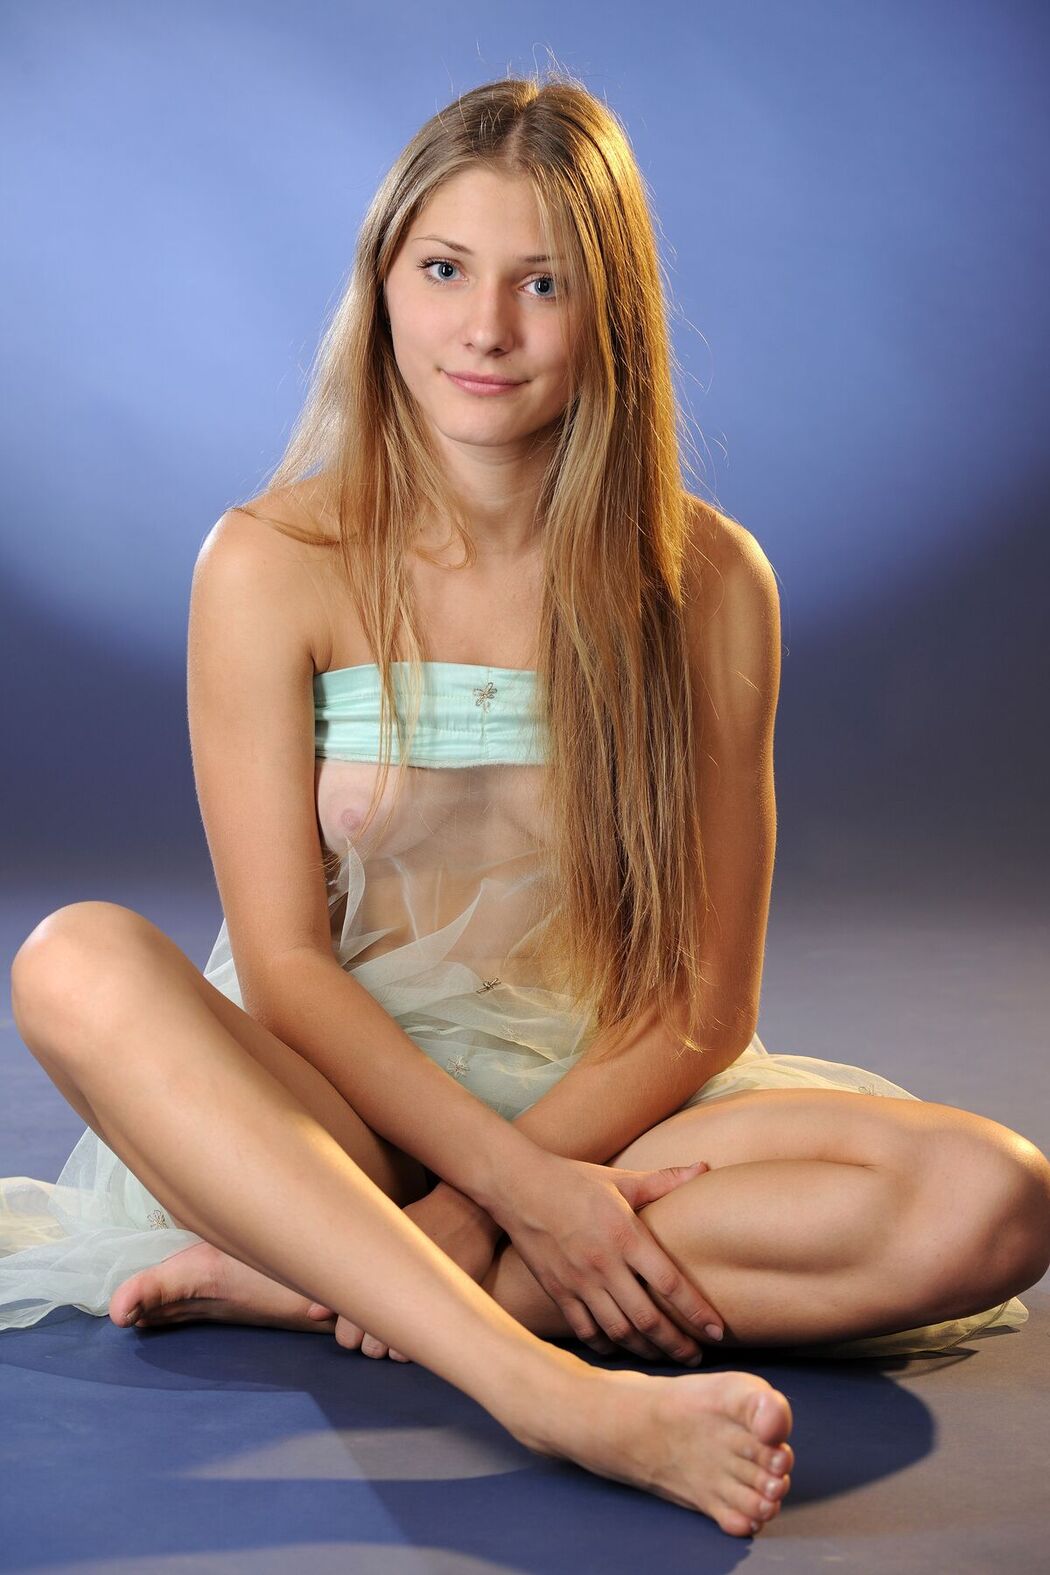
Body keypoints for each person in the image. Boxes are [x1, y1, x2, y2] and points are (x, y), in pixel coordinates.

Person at [2, 71, 1048, 1540]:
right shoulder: (268, 561)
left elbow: (700, 1004)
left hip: (609, 1101)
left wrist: (512, 1193)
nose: (483, 329)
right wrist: (506, 1189)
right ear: (382, 283)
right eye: (444, 270)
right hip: (335, 1104)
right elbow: (287, 970)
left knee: (992, 1198)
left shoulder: (709, 581)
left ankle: (332, 1282)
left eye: (539, 283)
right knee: (74, 960)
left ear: (610, 313)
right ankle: (548, 1391)